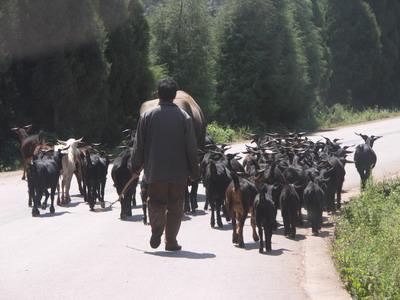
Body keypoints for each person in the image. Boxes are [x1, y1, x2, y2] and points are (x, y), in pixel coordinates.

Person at [131, 78, 199, 251]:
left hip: (155, 171)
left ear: (158, 94)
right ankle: (171, 242)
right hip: (178, 172)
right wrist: (194, 171)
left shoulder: (147, 116)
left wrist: (135, 166)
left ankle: (157, 228)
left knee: (155, 201)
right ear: (175, 95)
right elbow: (191, 147)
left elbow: (139, 144)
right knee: (176, 206)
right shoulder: (185, 117)